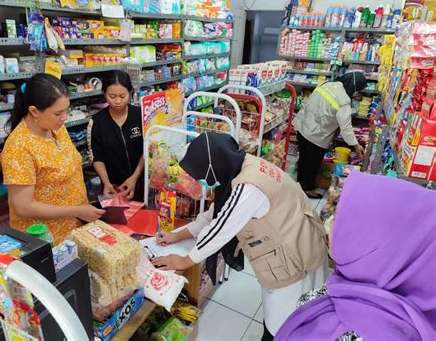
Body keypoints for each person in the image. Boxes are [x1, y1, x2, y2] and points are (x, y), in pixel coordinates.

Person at [152, 133, 329, 341]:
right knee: (289, 315)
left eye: (200, 175)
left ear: (213, 165)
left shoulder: (248, 187)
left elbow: (220, 229)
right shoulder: (242, 164)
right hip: (296, 241)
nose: (199, 180)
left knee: (282, 323)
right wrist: (177, 235)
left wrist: (184, 260)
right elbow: (216, 213)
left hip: (294, 258)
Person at [275, 172, 436, 341]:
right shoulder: (410, 315)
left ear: (377, 246)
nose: (330, 225)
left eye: (339, 219)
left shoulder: (337, 331)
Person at [1, 73, 105, 245]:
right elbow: (23, 207)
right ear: (34, 111)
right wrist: (77, 210)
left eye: (67, 110)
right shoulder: (19, 148)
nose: (64, 117)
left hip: (75, 227)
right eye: (58, 113)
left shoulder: (56, 127)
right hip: (45, 238)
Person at [293, 71, 367, 199]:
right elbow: (346, 128)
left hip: (303, 126)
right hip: (317, 135)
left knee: (304, 158)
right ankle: (307, 188)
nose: (356, 95)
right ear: (354, 88)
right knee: (312, 163)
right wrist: (355, 145)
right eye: (357, 91)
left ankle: (299, 184)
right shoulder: (344, 101)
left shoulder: (327, 83)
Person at [88, 70, 144, 201]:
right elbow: (97, 156)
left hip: (140, 181)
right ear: (104, 94)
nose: (118, 101)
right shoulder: (97, 122)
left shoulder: (140, 115)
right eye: (112, 97)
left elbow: (146, 150)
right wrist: (106, 182)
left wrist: (134, 178)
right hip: (112, 187)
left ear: (130, 93)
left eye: (122, 96)